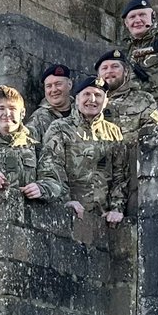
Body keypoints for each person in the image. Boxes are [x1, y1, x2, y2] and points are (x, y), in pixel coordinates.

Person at [37, 76, 128, 225]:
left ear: (105, 102)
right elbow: (51, 168)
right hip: (69, 214)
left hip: (104, 219)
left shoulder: (113, 132)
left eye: (98, 95)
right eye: (87, 94)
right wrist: (66, 202)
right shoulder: (60, 127)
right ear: (77, 99)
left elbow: (120, 175)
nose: (92, 99)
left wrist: (117, 208)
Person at [94, 50, 158, 141]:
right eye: (104, 68)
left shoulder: (143, 100)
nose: (109, 71)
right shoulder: (90, 101)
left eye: (115, 67)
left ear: (126, 71)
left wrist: (121, 141)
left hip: (134, 153)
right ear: (98, 75)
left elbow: (157, 129)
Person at [25, 63, 75, 144]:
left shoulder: (82, 111)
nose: (54, 90)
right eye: (49, 86)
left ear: (69, 84)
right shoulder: (38, 119)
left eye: (58, 84)